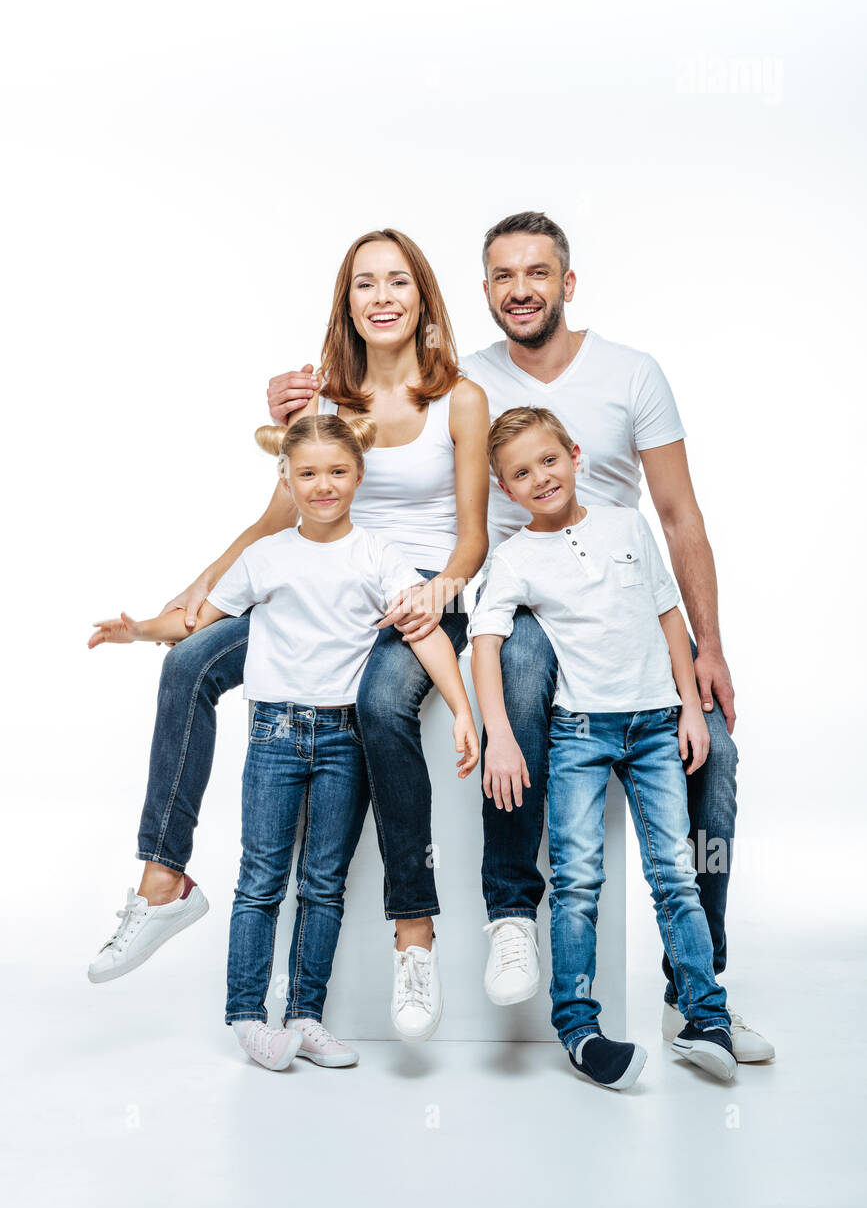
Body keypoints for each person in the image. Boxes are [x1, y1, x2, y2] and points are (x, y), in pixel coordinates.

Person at [267, 210, 774, 1064]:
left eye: (536, 273)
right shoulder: (461, 380)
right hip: (516, 595)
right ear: (483, 292)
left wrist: (708, 646)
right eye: (502, 277)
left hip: (625, 595)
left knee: (714, 755)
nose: (520, 290)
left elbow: (680, 518)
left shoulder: (630, 374)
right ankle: (507, 915)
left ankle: (697, 995)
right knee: (493, 676)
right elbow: (368, 412)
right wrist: (296, 403)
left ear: (566, 284)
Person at [89, 227, 490, 1045]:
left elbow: (473, 537)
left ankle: (411, 933)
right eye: (364, 285)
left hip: (413, 591)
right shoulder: (324, 407)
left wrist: (439, 591)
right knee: (191, 663)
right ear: (346, 303)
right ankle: (164, 878)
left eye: (397, 283)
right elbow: (280, 520)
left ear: (422, 300)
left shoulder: (461, 397)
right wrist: (200, 589)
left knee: (380, 701)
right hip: (318, 583)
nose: (382, 298)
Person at [470, 406, 735, 1088]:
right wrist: (499, 732)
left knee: (674, 875)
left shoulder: (624, 523)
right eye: (521, 473)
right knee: (578, 883)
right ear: (504, 488)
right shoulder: (515, 556)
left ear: (575, 454)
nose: (540, 478)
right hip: (579, 731)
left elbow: (666, 613)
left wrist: (688, 708)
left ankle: (706, 1015)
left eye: (548, 460)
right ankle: (579, 1029)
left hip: (653, 726)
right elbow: (485, 643)